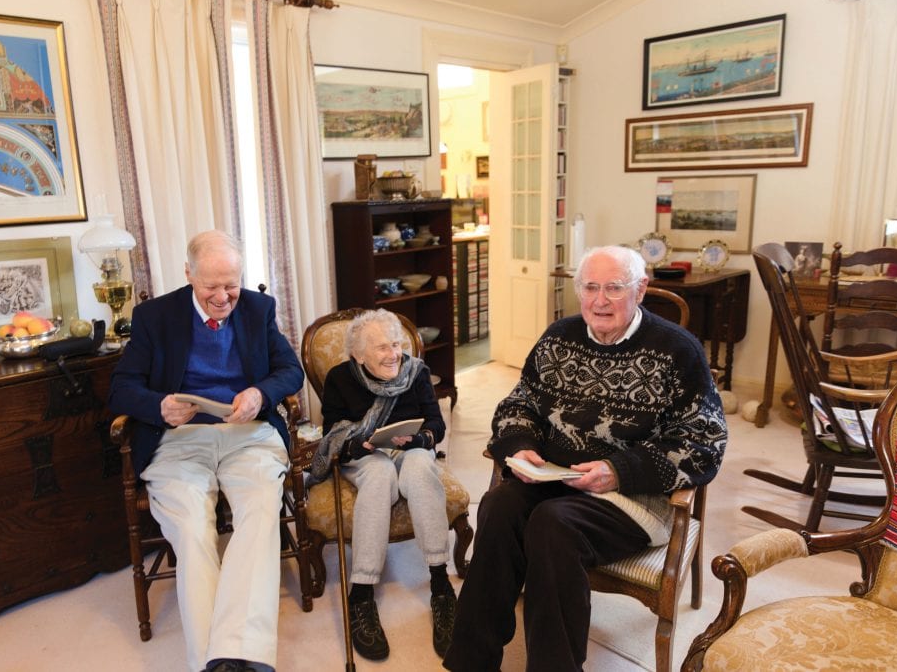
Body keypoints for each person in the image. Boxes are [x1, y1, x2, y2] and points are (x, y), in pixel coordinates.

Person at [442, 245, 727, 672]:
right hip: (553, 481)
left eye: (615, 288)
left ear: (641, 289)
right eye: (591, 287)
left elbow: (704, 442)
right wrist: (518, 444)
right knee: (499, 505)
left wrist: (618, 471)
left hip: (633, 499)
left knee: (553, 524)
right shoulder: (559, 337)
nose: (600, 300)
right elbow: (518, 404)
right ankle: (471, 661)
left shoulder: (677, 350)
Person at [109, 230, 304, 672]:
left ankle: (235, 654)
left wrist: (260, 393)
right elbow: (121, 388)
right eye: (210, 286)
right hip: (180, 439)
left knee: (259, 513)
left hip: (247, 432)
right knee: (193, 526)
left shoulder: (258, 309)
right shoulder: (155, 316)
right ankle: (217, 662)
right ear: (188, 275)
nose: (223, 297)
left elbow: (290, 371)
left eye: (230, 284)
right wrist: (159, 406)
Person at [311, 309, 455, 661]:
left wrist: (421, 438)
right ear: (358, 355)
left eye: (396, 344)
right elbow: (333, 433)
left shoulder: (415, 372)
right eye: (381, 348)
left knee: (421, 470)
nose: (393, 355)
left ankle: (441, 586)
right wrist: (358, 443)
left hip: (411, 451)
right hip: (366, 456)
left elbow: (436, 422)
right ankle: (361, 593)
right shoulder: (339, 378)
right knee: (378, 476)